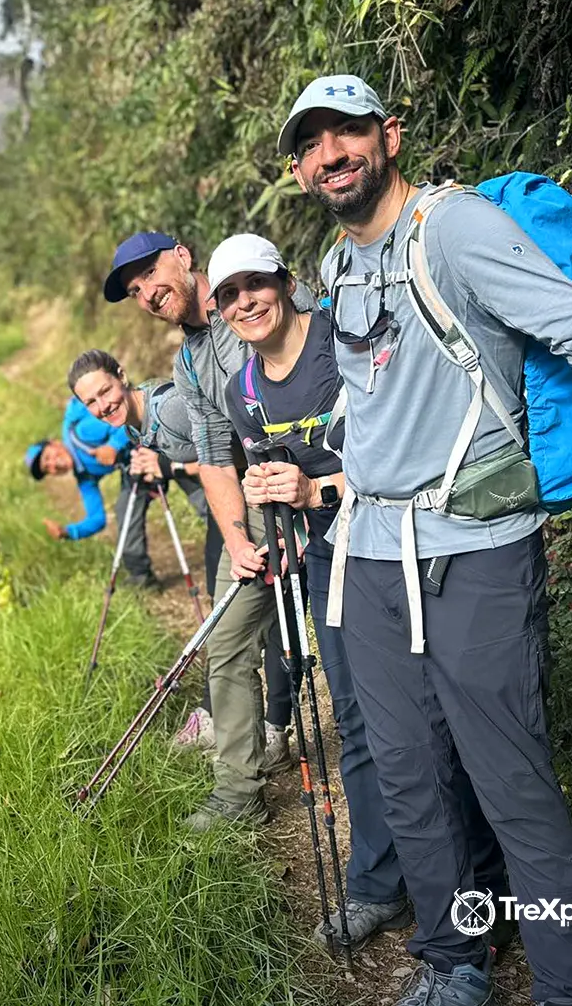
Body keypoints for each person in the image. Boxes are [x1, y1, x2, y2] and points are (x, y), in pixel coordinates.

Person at [279, 72, 572, 1006]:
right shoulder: (335, 267)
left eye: (348, 133)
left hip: (477, 551)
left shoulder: (451, 231)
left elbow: (569, 318)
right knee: (412, 776)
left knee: (513, 784)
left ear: (391, 136)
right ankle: (455, 959)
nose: (331, 154)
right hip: (369, 559)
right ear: (298, 172)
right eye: (311, 143)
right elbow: (374, 407)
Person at [212, 231, 510, 949]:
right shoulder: (242, 392)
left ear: (285, 281)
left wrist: (318, 485)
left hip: (413, 546)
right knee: (360, 721)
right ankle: (382, 884)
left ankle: (485, 885)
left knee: (440, 714)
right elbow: (275, 476)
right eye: (229, 294)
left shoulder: (343, 341)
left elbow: (413, 445)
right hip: (331, 560)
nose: (246, 302)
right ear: (220, 311)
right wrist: (272, 497)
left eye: (256, 284)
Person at [101, 232, 313, 824]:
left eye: (148, 274)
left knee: (351, 655)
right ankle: (239, 794)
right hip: (259, 507)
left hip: (330, 491)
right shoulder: (189, 362)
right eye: (135, 290)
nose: (146, 292)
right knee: (226, 643)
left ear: (183, 256)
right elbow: (216, 456)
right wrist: (240, 539)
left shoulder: (251, 298)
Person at [67, 348, 295, 770]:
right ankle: (228, 719)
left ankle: (274, 728)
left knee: (272, 621)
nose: (103, 406)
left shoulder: (168, 406)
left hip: (251, 512)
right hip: (224, 519)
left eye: (105, 391)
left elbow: (233, 450)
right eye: (91, 403)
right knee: (230, 623)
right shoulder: (134, 425)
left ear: (122, 375)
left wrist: (167, 466)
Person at [25, 397, 156, 586]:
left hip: (159, 440)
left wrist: (113, 446)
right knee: (124, 510)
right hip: (139, 465)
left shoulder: (82, 433)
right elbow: (97, 518)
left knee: (200, 494)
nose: (53, 465)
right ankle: (143, 579)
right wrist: (68, 532)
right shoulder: (84, 477)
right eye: (48, 469)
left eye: (48, 457)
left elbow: (126, 419)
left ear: (54, 443)